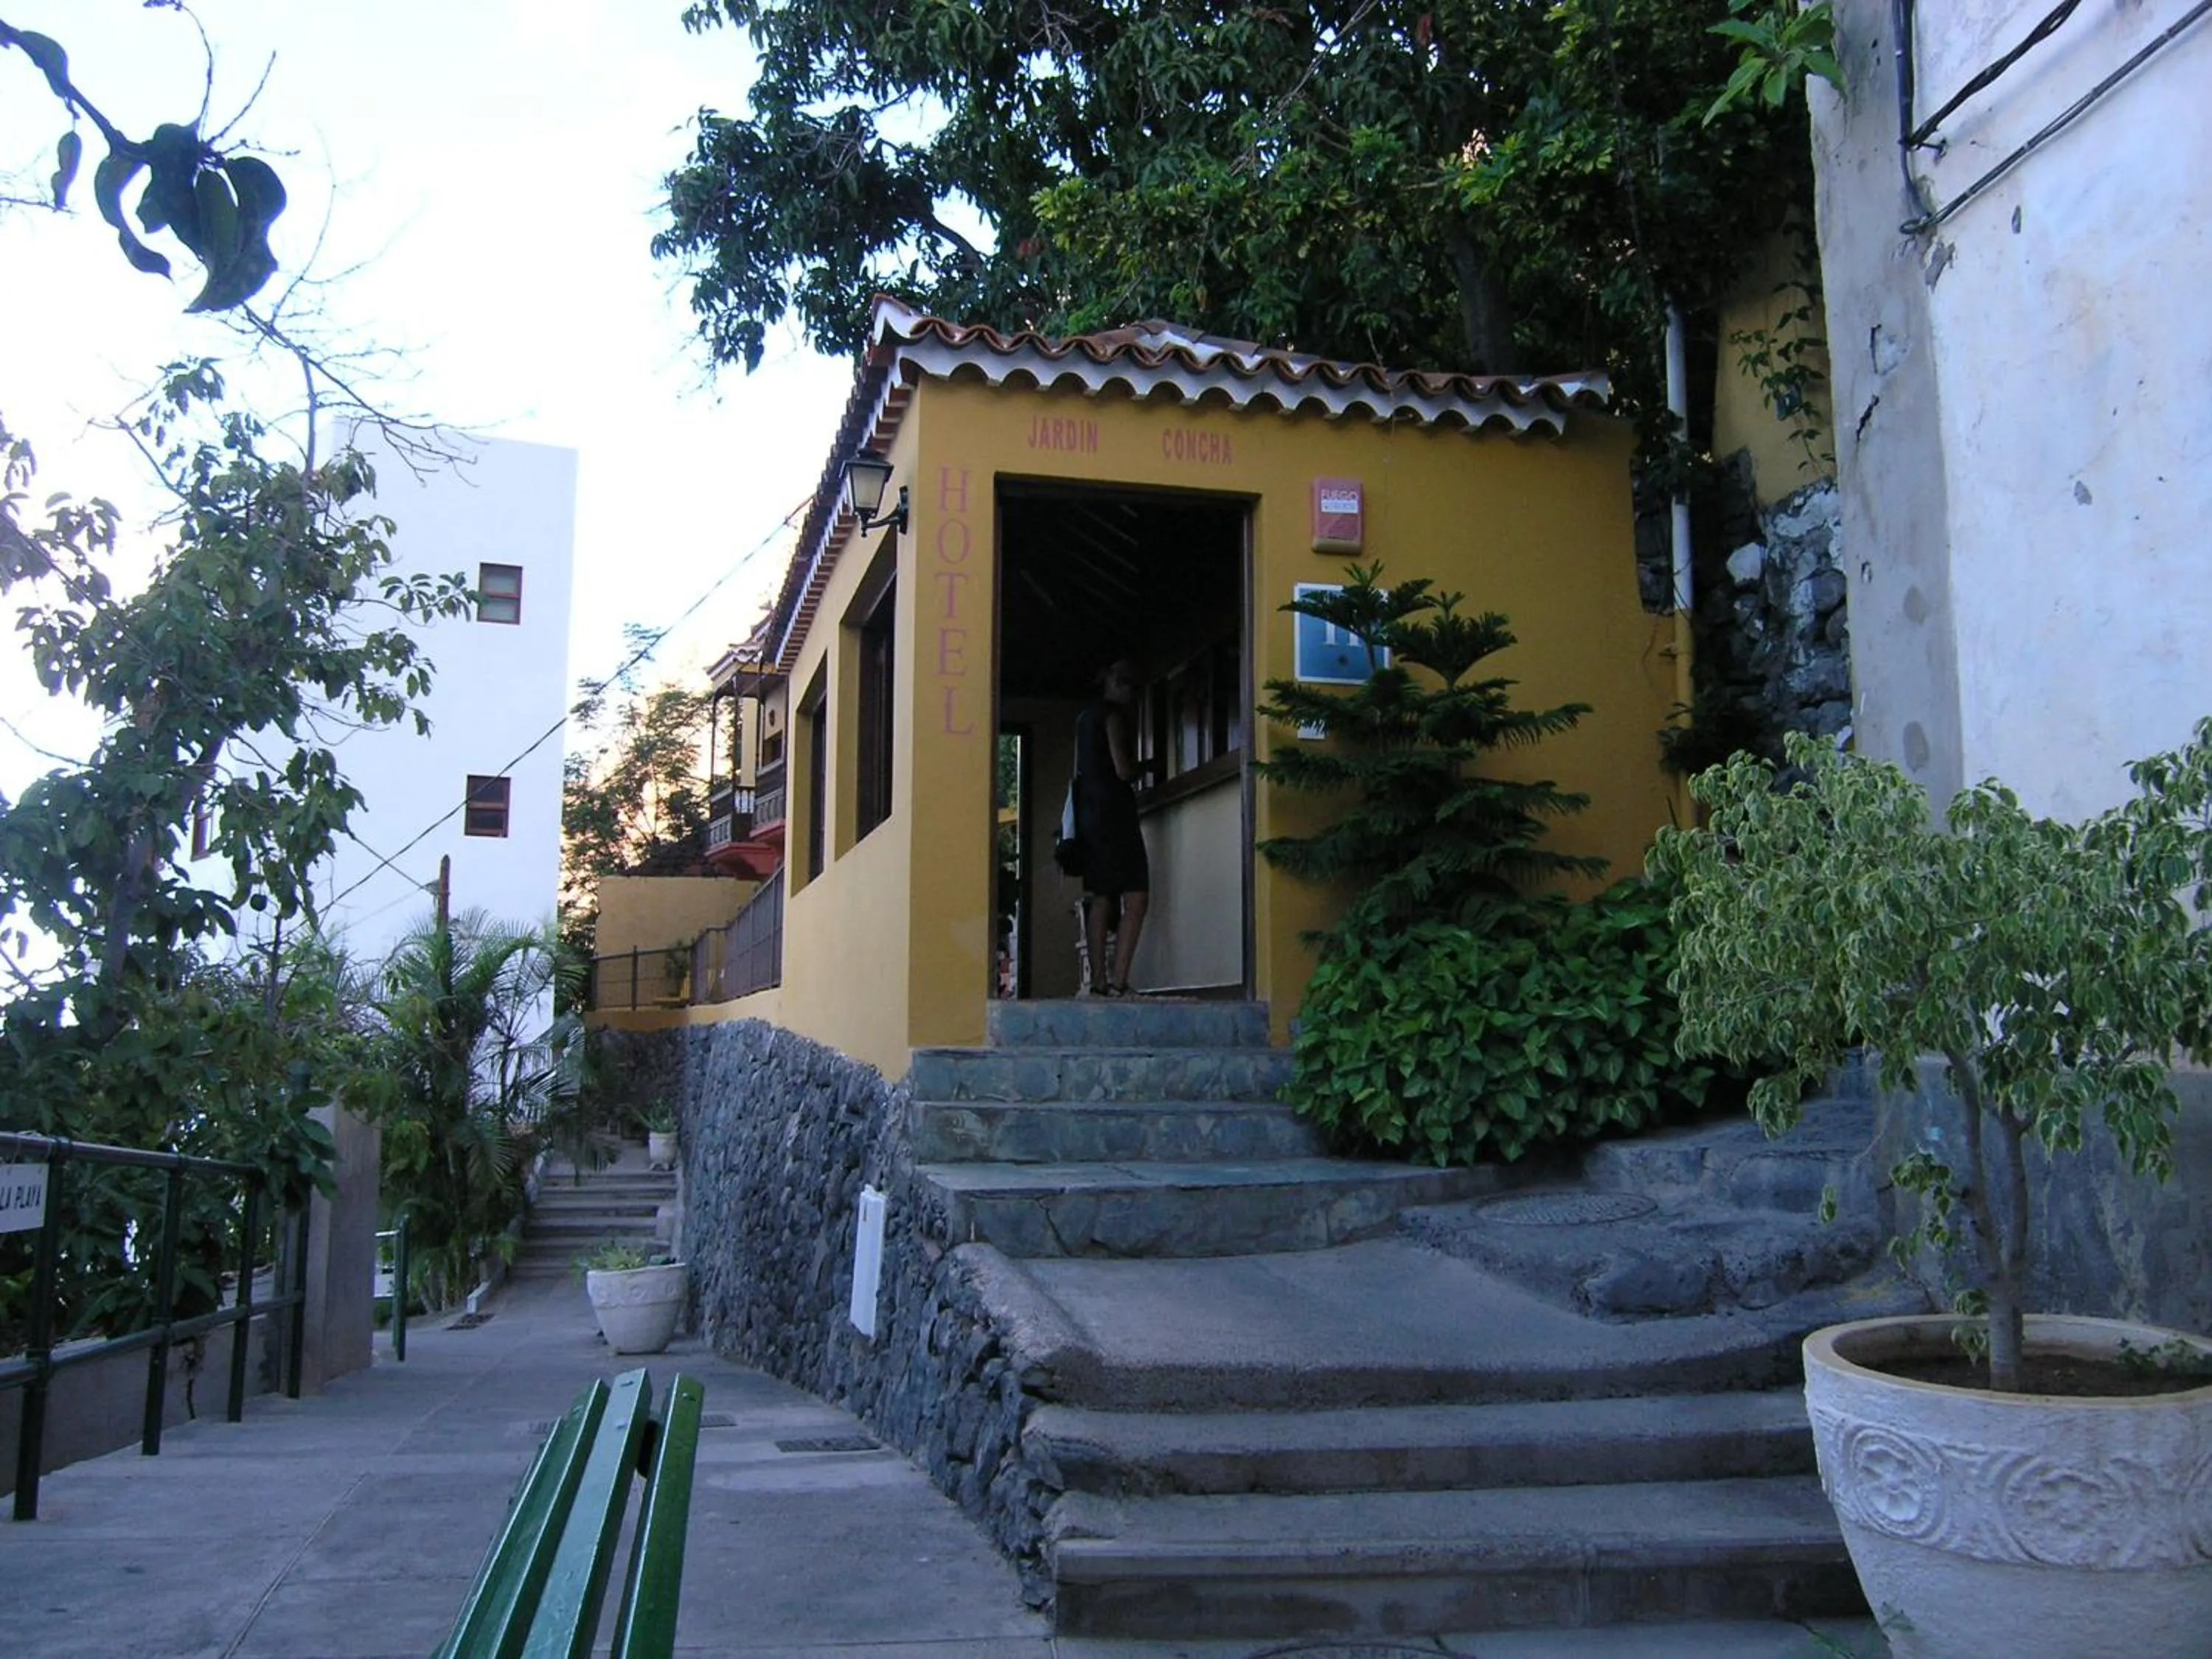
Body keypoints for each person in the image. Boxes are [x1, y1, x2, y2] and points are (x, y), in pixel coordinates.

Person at [1074, 659, 1150, 996]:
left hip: (1089, 815)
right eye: (1128, 684)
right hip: (1116, 815)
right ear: (1114, 683)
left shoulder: (1083, 718)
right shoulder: (1113, 716)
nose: (1131, 691)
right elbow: (1123, 769)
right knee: (1136, 895)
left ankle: (1098, 982)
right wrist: (1145, 766)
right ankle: (1120, 981)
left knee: (1100, 896)